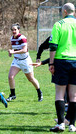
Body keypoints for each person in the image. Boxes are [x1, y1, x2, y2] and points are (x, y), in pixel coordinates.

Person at [49, 3, 76, 132]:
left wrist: (51, 63)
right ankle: (72, 125)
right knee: (74, 96)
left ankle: (60, 124)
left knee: (60, 94)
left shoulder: (58, 24)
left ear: (64, 11)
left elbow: (53, 46)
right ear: (74, 12)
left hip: (62, 61)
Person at [6, 23, 43, 102]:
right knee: (10, 77)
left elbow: (24, 50)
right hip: (16, 61)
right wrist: (10, 52)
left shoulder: (22, 38)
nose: (13, 31)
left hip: (25, 61)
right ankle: (13, 95)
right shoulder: (12, 38)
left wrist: (13, 52)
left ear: (18, 30)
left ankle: (39, 93)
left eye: (15, 29)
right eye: (12, 30)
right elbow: (13, 48)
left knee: (31, 79)